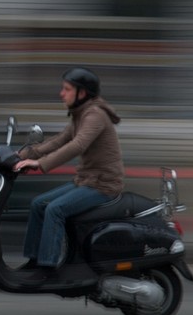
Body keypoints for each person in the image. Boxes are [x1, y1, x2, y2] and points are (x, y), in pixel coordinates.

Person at [13, 67, 124, 275]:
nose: (61, 93)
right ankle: (34, 261)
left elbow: (78, 145)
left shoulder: (95, 115)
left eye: (66, 89)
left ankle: (48, 267)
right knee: (39, 204)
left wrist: (40, 164)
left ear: (81, 93)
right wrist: (22, 154)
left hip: (103, 185)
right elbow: (59, 141)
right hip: (85, 181)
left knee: (55, 209)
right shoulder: (79, 115)